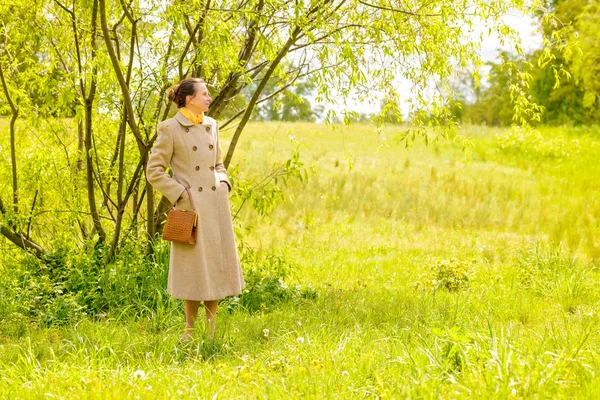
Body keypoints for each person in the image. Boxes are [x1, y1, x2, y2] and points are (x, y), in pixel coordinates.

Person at [146, 77, 245, 341]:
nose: (209, 98)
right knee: (193, 270)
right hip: (192, 208)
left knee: (213, 267)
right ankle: (189, 331)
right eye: (205, 94)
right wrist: (180, 194)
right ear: (189, 98)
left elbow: (219, 164)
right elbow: (154, 171)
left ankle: (211, 332)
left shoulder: (211, 125)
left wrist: (223, 182)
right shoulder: (170, 129)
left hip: (215, 206)